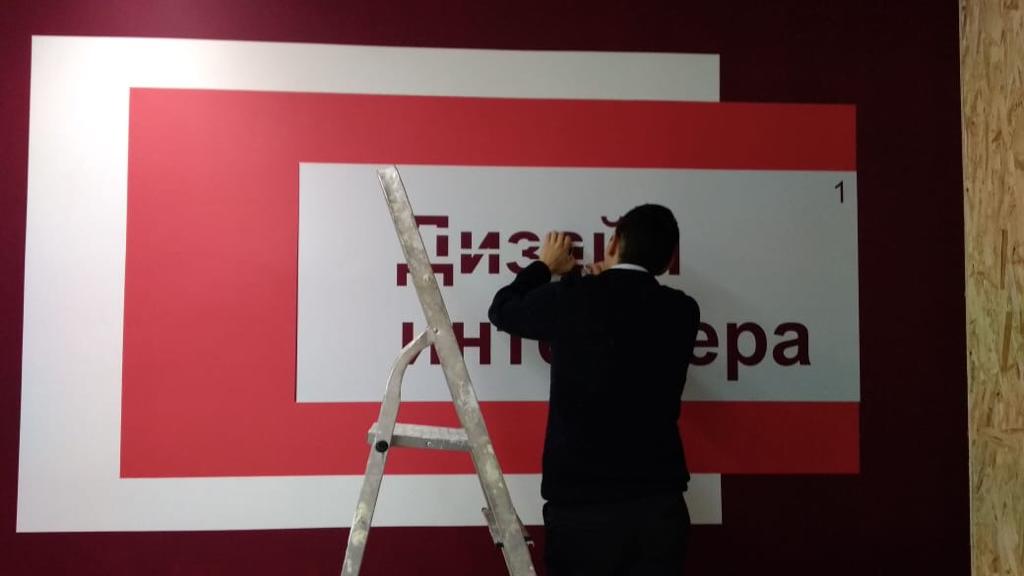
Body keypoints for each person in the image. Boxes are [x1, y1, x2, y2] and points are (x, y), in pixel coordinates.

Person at [488, 204, 700, 575]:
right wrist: (593, 283)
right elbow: (625, 314)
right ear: (668, 262)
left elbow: (503, 310)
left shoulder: (574, 297)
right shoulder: (683, 311)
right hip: (658, 508)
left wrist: (545, 266)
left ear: (613, 242)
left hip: (581, 510)